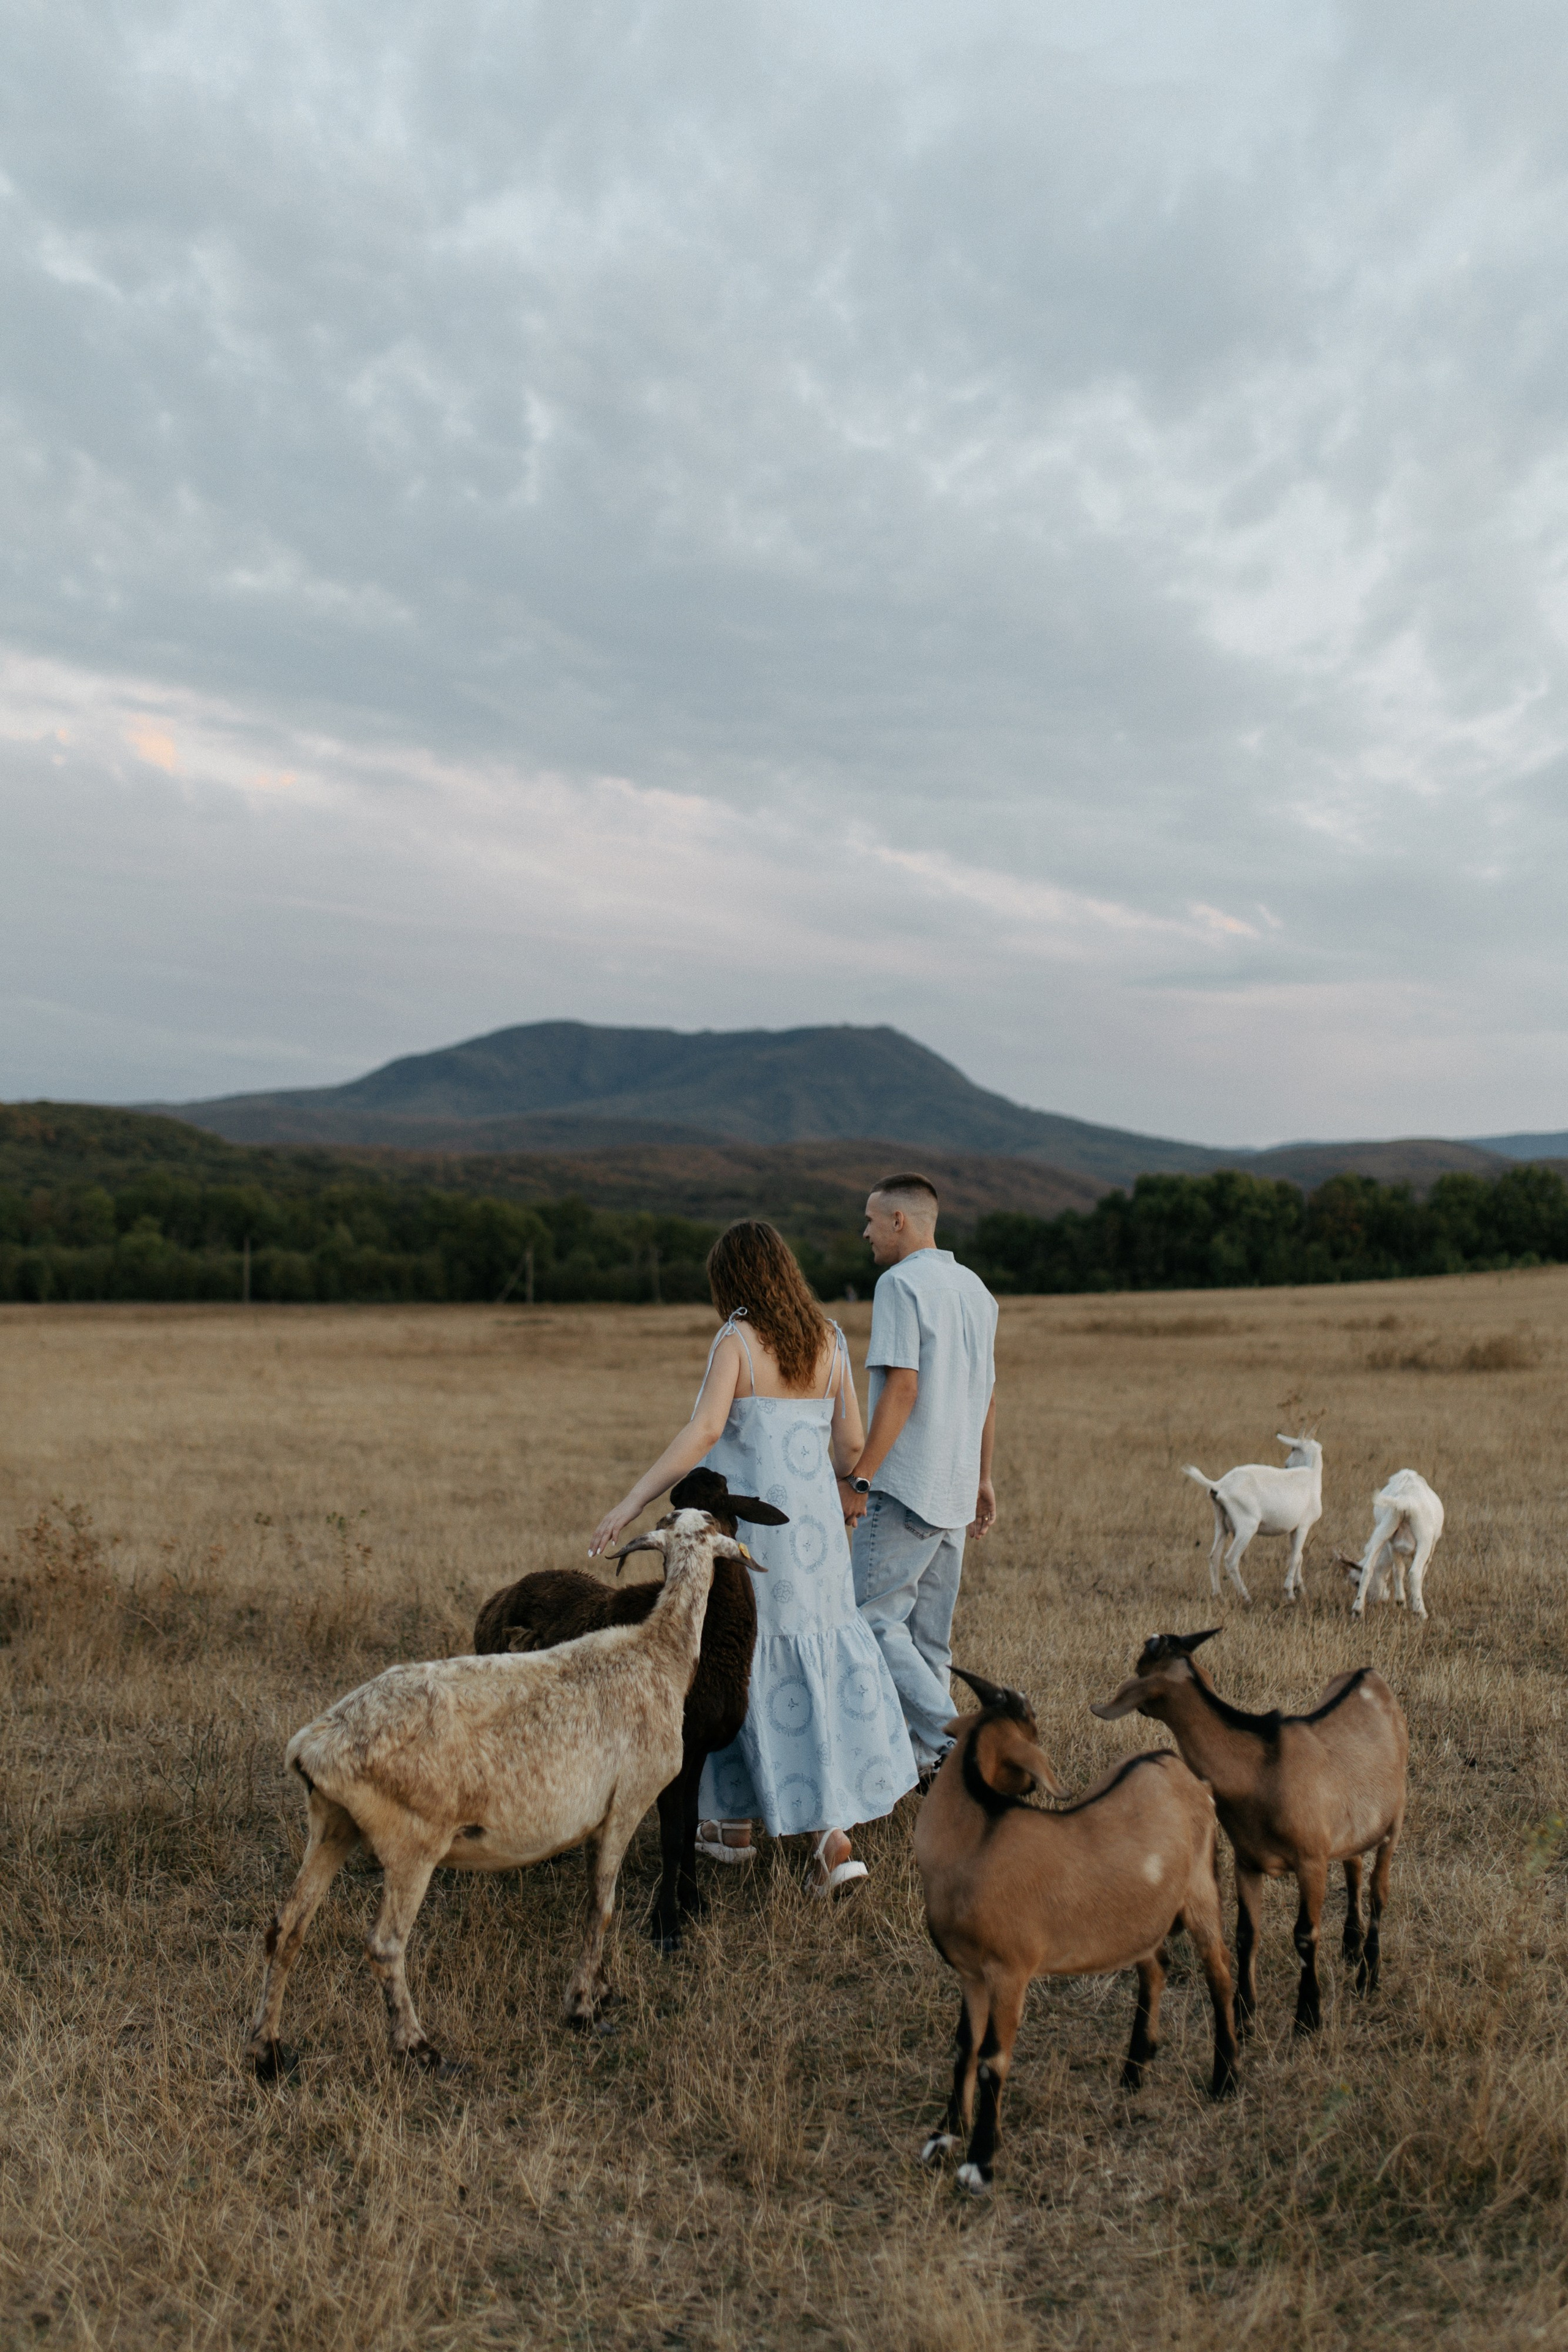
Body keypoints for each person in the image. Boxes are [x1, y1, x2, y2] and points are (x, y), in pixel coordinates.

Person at [588, 1219, 917, 1893]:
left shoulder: (736, 1337)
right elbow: (850, 1449)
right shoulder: (827, 1337)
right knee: (804, 1658)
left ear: (730, 1281)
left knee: (742, 1662)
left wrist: (630, 1501)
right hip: (817, 1539)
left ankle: (829, 1842)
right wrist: (851, 1494)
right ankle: (732, 1825)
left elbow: (706, 1428)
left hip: (749, 1537)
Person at [840, 1173, 998, 1783]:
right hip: (955, 1491)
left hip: (907, 1487)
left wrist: (860, 1480)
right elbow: (986, 1395)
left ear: (899, 1222)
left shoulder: (899, 1284)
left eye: (871, 1220)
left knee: (873, 1623)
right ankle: (932, 1772)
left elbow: (902, 1388)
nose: (866, 1232)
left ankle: (957, 1747)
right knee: (929, 1643)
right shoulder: (975, 1289)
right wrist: (983, 1478)